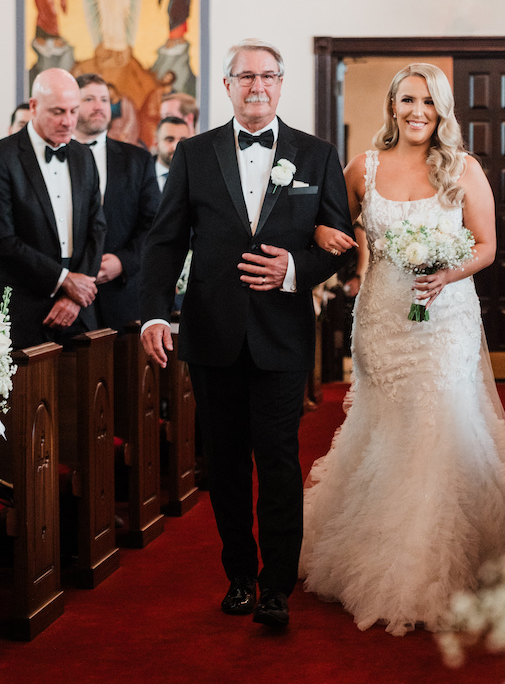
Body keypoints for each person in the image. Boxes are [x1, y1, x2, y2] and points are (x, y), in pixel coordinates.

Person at [298, 63, 505, 637]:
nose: (418, 111)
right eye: (407, 100)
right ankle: (376, 544)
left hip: (445, 316)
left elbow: (489, 246)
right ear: (393, 105)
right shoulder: (360, 168)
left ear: (442, 111)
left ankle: (424, 564)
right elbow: (329, 228)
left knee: (439, 422)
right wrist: (323, 236)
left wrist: (449, 272)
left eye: (429, 102)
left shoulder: (463, 168)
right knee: (387, 424)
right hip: (382, 315)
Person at [139, 39, 353, 630]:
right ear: (228, 85)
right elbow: (164, 241)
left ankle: (277, 585)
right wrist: (155, 314)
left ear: (281, 83)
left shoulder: (316, 155)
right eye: (245, 77)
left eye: (267, 76)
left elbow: (337, 239)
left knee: (280, 460)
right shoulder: (194, 153)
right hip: (212, 334)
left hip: (282, 334)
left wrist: (295, 272)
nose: (257, 86)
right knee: (226, 465)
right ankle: (239, 575)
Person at [0, 68, 105, 350]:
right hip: (25, 307)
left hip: (81, 307)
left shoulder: (84, 156)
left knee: (89, 391)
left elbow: (97, 228)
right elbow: (5, 240)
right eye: (58, 112)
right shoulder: (4, 157)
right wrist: (63, 281)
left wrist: (74, 294)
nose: (68, 121)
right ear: (33, 106)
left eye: (73, 111)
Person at [74, 74, 160, 334]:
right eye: (89, 99)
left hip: (121, 297)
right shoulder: (57, 156)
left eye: (104, 99)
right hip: (66, 297)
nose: (99, 106)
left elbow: (154, 224)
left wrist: (124, 262)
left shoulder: (138, 160)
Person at [153, 115, 189, 192]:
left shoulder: (196, 177)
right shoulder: (140, 174)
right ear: (156, 143)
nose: (176, 147)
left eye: (182, 141)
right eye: (169, 140)